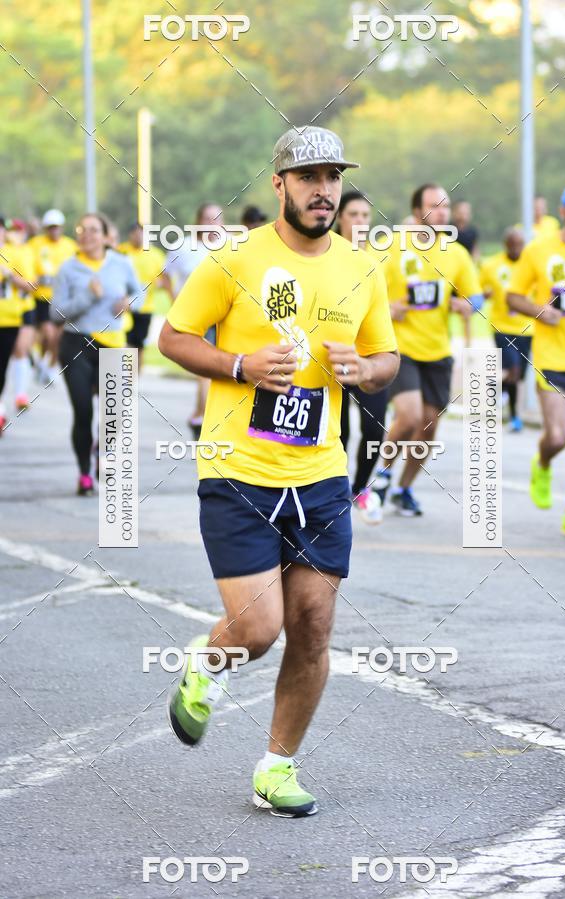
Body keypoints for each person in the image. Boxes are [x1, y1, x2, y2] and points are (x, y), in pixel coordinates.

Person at [158, 125, 398, 817]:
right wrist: (239, 365)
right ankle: (207, 664)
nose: (323, 188)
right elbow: (173, 336)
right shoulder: (234, 260)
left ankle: (276, 766)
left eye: (331, 176)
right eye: (308, 176)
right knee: (258, 629)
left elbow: (387, 359)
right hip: (239, 470)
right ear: (280, 185)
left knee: (314, 625)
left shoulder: (361, 266)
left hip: (321, 473)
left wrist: (365, 370)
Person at [372, 183, 483, 516]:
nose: (442, 212)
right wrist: (387, 307)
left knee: (429, 428)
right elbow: (363, 286)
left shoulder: (456, 253)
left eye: (445, 206)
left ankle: (402, 488)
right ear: (418, 211)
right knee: (410, 415)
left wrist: (467, 305)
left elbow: (474, 296)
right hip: (399, 349)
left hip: (437, 351)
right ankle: (382, 475)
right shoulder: (391, 246)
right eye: (434, 206)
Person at [507, 179, 565, 539]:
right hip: (553, 357)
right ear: (564, 211)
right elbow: (514, 296)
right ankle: (542, 461)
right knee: (559, 436)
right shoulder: (539, 251)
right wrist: (539, 311)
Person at [51, 212, 142, 494]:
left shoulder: (121, 263)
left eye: (93, 230)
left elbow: (141, 295)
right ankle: (84, 473)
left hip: (112, 343)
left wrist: (129, 302)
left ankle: (102, 453)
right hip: (76, 343)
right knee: (83, 410)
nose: (86, 235)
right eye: (81, 229)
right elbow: (57, 312)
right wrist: (88, 296)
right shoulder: (68, 268)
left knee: (113, 412)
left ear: (105, 236)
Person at [337, 190, 390, 523]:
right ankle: (335, 490)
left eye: (365, 216)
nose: (360, 222)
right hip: (335, 358)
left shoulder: (380, 258)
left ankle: (359, 489)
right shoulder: (326, 254)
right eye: (353, 214)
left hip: (369, 358)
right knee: (338, 432)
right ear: (340, 218)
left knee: (375, 428)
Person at [164, 202, 224, 439]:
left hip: (224, 315)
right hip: (196, 316)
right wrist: (175, 301)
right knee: (207, 367)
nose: (213, 224)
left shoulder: (230, 246)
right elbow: (165, 276)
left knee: (220, 367)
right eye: (208, 218)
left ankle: (201, 415)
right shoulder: (183, 246)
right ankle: (203, 418)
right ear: (198, 221)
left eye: (217, 219)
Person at [480, 227, 531, 432]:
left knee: (519, 376)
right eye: (513, 245)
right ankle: (516, 416)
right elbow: (479, 289)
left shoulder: (531, 265)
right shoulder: (491, 265)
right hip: (501, 327)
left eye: (520, 244)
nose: (517, 249)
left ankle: (495, 385)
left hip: (527, 329)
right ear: (506, 245)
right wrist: (484, 295)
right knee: (514, 369)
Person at [29, 209, 76, 384]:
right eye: (50, 227)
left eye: (56, 227)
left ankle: (48, 367)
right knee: (48, 335)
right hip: (42, 297)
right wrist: (37, 279)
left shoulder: (70, 246)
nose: (54, 230)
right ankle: (42, 363)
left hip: (63, 299)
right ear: (45, 228)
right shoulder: (36, 244)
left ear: (62, 227)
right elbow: (29, 267)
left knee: (58, 337)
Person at [0, 218, 36, 433]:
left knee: (8, 361)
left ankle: (16, 397)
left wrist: (10, 276)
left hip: (11, 316)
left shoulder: (17, 253)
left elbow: (31, 285)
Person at [119, 223, 167, 369]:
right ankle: (121, 379)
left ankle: (133, 381)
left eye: (141, 234)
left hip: (145, 306)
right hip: (123, 305)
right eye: (135, 233)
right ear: (130, 235)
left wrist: (159, 284)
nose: (138, 237)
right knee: (123, 343)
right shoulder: (121, 251)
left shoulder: (156, 255)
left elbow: (164, 279)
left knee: (138, 345)